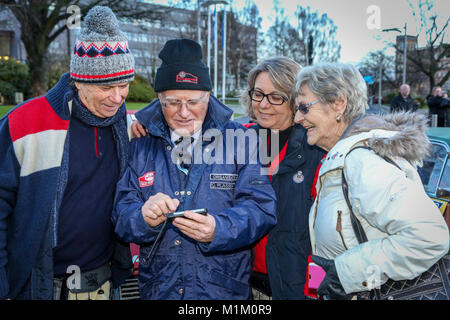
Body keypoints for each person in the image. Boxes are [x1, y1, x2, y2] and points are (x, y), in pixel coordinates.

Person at [112, 38, 277, 300]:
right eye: (173, 102)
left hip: (223, 292)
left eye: (193, 101)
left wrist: (219, 229)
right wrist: (142, 218)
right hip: (160, 290)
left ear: (208, 96)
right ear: (159, 99)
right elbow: (121, 215)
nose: (184, 112)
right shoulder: (141, 145)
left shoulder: (242, 140)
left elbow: (261, 208)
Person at [0, 6, 136, 300]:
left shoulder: (126, 124)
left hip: (101, 282)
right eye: (107, 87)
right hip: (37, 285)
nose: (118, 97)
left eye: (124, 85)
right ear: (80, 80)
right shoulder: (24, 123)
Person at [292, 62, 449, 300]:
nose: (296, 118)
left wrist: (346, 274)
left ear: (338, 103)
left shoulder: (362, 161)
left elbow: (428, 236)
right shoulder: (344, 157)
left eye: (304, 107)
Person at [239, 57, 325, 300]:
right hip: (244, 283)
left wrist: (315, 288)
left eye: (276, 97)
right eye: (258, 94)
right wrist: (143, 123)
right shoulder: (241, 139)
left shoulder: (315, 148)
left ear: (295, 102)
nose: (264, 105)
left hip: (295, 287)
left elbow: (325, 234)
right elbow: (193, 116)